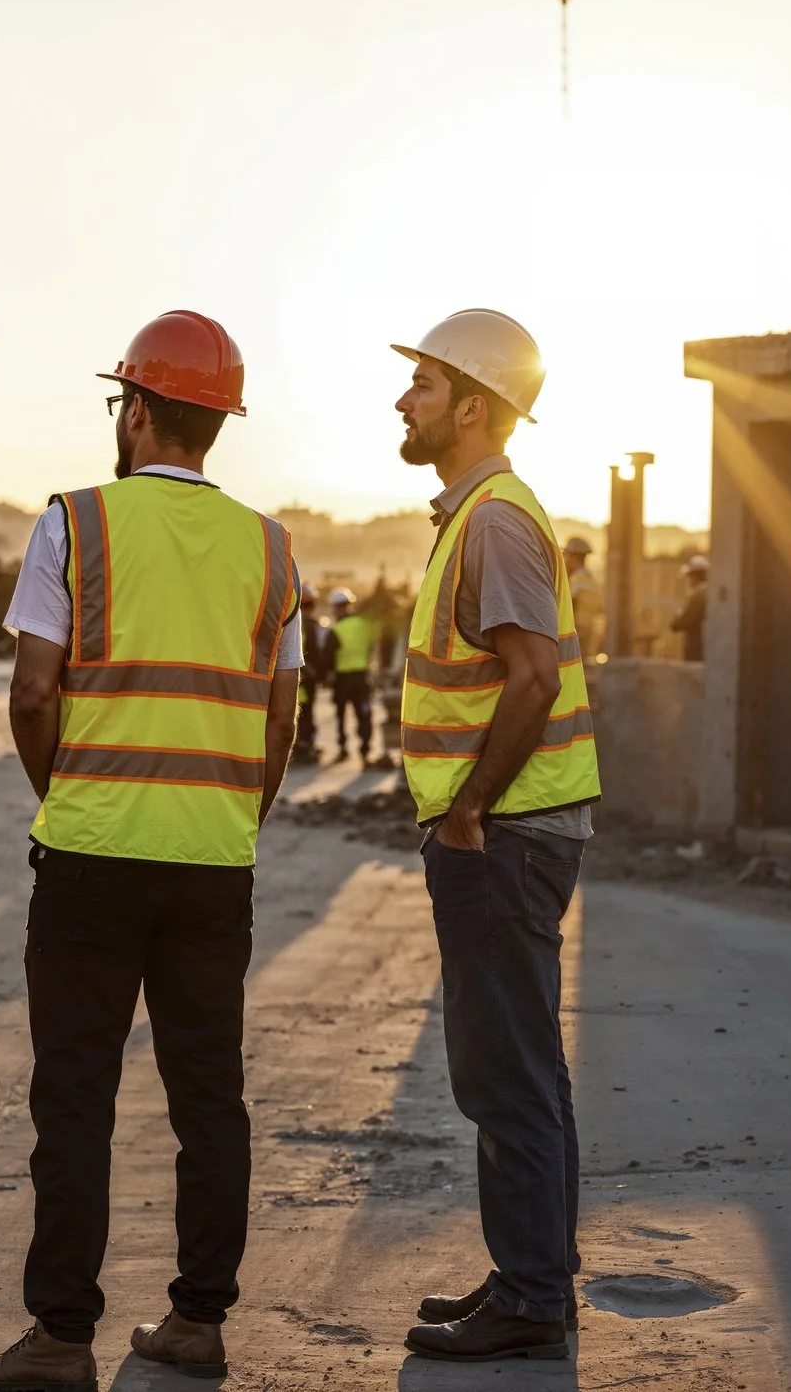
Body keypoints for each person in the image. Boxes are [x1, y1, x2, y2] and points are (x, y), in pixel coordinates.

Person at [0, 311, 302, 1391]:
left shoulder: (73, 524)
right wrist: (233, 816)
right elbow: (280, 718)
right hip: (213, 863)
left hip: (92, 861)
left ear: (139, 409)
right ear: (217, 423)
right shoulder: (271, 548)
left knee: (74, 1097)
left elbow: (28, 693)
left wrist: (72, 798)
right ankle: (199, 1320)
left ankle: (61, 1336)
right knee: (209, 1097)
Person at [388, 310, 601, 1364]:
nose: (403, 401)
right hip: (508, 832)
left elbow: (533, 675)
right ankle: (531, 1277)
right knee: (521, 1067)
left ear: (472, 404)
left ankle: (529, 1298)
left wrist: (468, 808)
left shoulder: (495, 520)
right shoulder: (473, 515)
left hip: (505, 836)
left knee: (504, 1070)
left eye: (422, 385)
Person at [325, 588, 379, 763]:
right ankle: (365, 750)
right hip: (362, 677)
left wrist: (325, 676)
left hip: (342, 678)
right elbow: (371, 647)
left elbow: (328, 656)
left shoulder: (336, 629)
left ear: (336, 607)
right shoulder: (364, 625)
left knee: (341, 715)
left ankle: (343, 748)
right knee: (363, 713)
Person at [293, 585, 324, 763]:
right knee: (305, 711)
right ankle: (304, 744)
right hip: (305, 677)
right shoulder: (310, 626)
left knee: (298, 710)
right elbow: (316, 652)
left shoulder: (293, 622)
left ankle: (302, 744)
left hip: (299, 675)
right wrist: (319, 675)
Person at [563, 535, 603, 664]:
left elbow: (569, 605)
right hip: (589, 631)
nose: (565, 559)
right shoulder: (591, 578)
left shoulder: (577, 578)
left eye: (567, 555)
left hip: (574, 631)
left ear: (574, 557)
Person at [669, 554, 709, 662]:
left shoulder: (698, 595)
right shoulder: (711, 591)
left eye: (690, 576)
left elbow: (680, 622)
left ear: (695, 576)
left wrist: (676, 618)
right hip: (710, 647)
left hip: (696, 648)